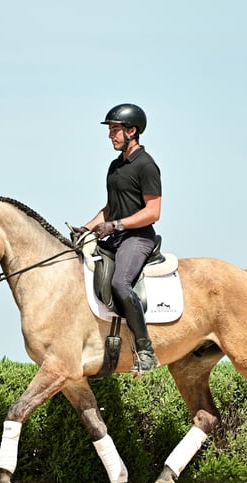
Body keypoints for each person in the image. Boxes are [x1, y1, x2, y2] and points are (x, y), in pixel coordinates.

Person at [75, 103, 162, 374]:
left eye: (115, 130)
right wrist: (86, 228)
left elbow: (153, 212)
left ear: (132, 131)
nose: (111, 135)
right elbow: (110, 208)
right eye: (111, 130)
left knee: (120, 283)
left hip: (137, 238)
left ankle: (146, 350)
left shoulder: (146, 166)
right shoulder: (115, 166)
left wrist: (117, 226)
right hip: (115, 237)